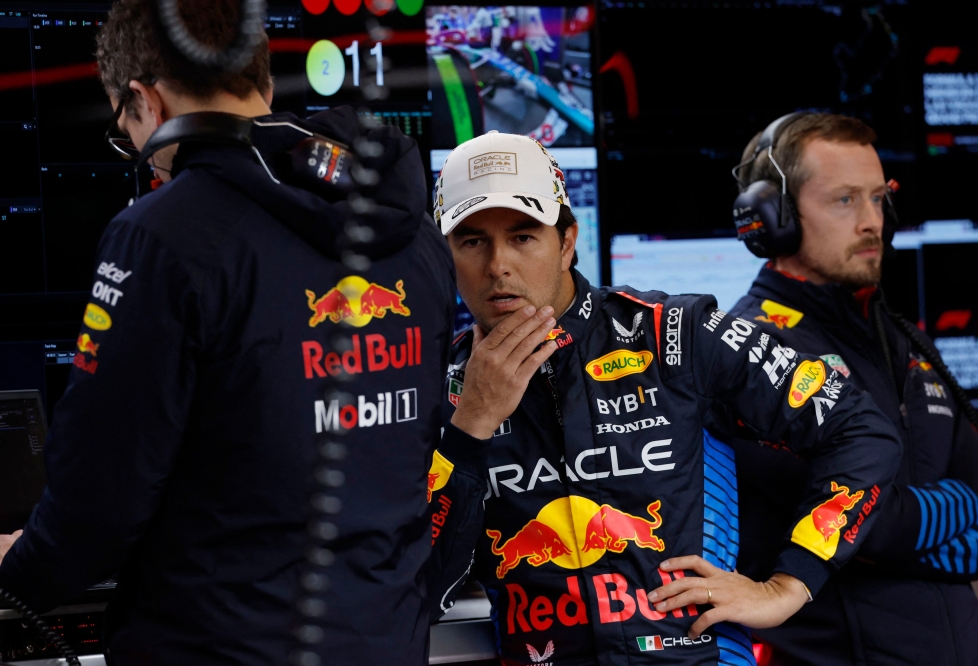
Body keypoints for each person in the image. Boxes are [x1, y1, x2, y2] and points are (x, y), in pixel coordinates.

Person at [0, 1, 455, 664]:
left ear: (144, 102)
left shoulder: (159, 236)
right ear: (263, 84)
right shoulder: (414, 236)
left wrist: (19, 571)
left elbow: (98, 501)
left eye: (124, 129)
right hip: (384, 641)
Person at [423, 130, 902, 665]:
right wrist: (470, 429)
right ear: (447, 257)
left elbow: (861, 430)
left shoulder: (675, 333)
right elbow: (418, 591)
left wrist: (790, 584)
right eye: (471, 241)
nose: (497, 266)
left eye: (523, 236)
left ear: (566, 242)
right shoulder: (438, 394)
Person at [728, 112, 978, 665]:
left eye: (879, 199)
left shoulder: (906, 343)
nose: (873, 221)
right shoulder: (749, 353)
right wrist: (953, 509)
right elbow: (864, 524)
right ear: (773, 217)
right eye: (845, 200)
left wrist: (896, 530)